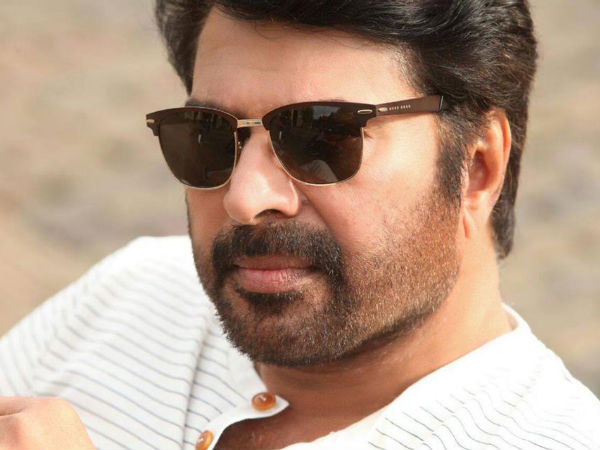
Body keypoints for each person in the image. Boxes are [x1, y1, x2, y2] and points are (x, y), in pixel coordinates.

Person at [1, 1, 598, 449]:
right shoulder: (133, 293)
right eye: (208, 136)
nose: (246, 198)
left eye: (322, 137)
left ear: (477, 166)